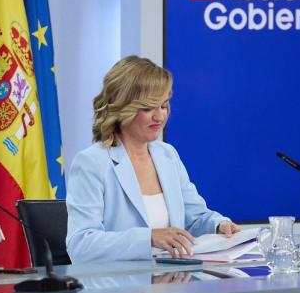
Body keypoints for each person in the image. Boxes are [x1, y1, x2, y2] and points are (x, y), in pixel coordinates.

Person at [66, 56, 240, 263]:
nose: (159, 117)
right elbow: (81, 245)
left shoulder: (167, 155)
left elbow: (194, 218)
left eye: (164, 105)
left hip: (172, 283)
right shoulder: (91, 163)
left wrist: (219, 225)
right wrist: (149, 237)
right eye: (148, 108)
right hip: (117, 288)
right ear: (122, 107)